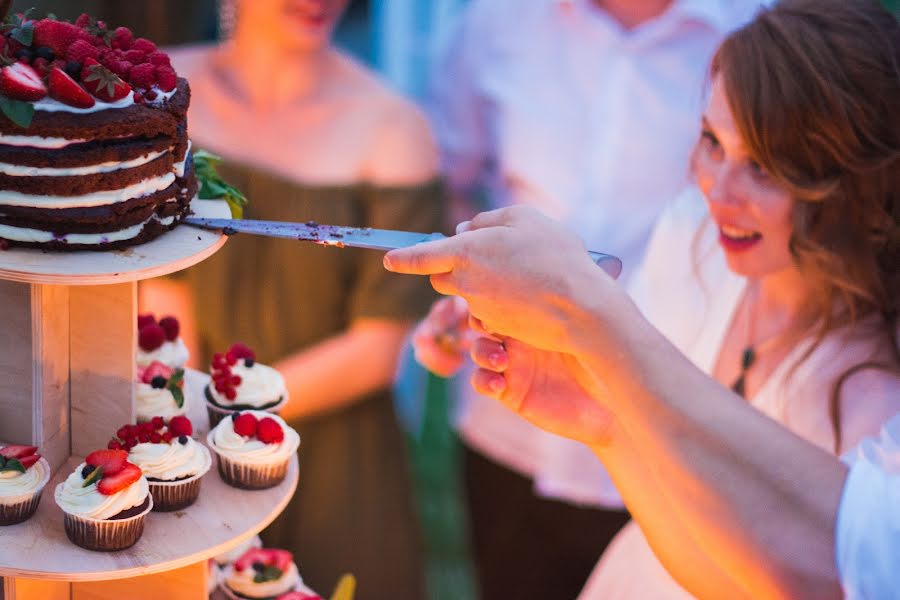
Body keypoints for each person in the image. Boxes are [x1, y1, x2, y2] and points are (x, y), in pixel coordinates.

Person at [390, 0, 900, 597]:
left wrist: (593, 319)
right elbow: (697, 545)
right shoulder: (694, 238)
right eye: (710, 140)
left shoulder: (876, 395)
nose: (718, 190)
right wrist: (605, 423)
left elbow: (842, 571)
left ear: (851, 181)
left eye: (764, 166)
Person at [421, 0, 761, 596]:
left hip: (666, 433)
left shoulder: (755, 31)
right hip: (508, 418)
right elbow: (448, 183)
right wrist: (460, 281)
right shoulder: (496, 22)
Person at [140, 0, 445, 596]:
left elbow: (374, 350)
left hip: (328, 457)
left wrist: (215, 425)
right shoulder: (164, 90)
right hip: (179, 426)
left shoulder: (393, 127)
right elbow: (158, 285)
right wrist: (172, 407)